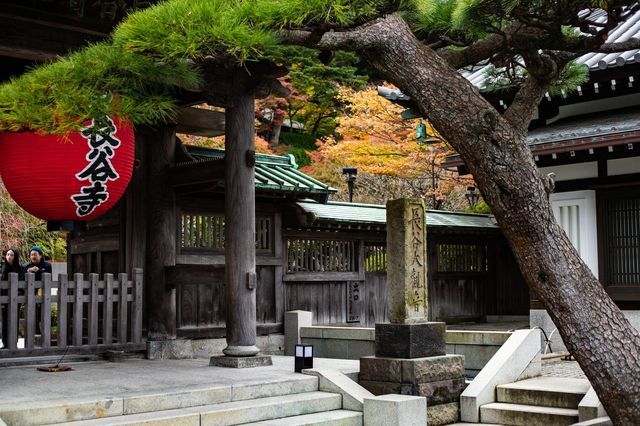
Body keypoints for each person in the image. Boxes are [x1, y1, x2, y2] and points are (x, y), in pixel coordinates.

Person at [1, 249, 23, 348]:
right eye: (8, 254)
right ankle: (5, 343)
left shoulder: (20, 268)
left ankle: (14, 343)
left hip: (15, 298)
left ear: (16, 256)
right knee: (4, 320)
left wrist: (20, 293)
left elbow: (23, 282)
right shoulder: (2, 267)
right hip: (3, 297)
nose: (9, 256)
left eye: (12, 255)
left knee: (14, 319)